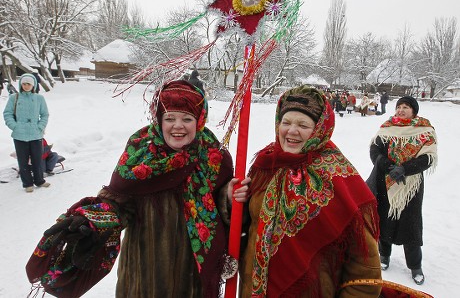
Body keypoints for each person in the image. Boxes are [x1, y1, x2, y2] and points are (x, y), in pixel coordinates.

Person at [26, 80, 249, 298]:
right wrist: (94, 220)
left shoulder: (213, 156)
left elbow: (222, 205)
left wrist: (227, 195)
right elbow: (118, 201)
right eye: (170, 118)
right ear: (159, 120)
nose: (178, 126)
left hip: (192, 275)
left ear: (199, 121)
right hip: (145, 275)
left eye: (187, 119)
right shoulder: (140, 153)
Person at [239, 85, 381, 297]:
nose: (291, 131)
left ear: (319, 129)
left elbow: (365, 273)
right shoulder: (265, 165)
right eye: (286, 122)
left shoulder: (337, 176)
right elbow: (246, 228)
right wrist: (234, 202)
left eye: (303, 125)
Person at [369, 96, 437, 285]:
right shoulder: (388, 126)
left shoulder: (424, 130)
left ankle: (415, 266)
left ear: (414, 111)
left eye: (405, 107)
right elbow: (375, 151)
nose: (400, 110)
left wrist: (405, 169)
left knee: (411, 223)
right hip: (386, 179)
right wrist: (389, 166)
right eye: (399, 106)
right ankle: (384, 255)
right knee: (385, 217)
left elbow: (428, 158)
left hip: (411, 184)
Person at [3, 73, 50, 192]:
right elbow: (7, 113)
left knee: (37, 159)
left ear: (33, 85)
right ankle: (27, 183)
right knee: (22, 161)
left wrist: (40, 126)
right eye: (23, 83)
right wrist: (14, 126)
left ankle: (39, 180)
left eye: (28, 84)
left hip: (36, 134)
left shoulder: (39, 98)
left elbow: (44, 114)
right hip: (19, 135)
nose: (26, 86)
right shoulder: (14, 97)